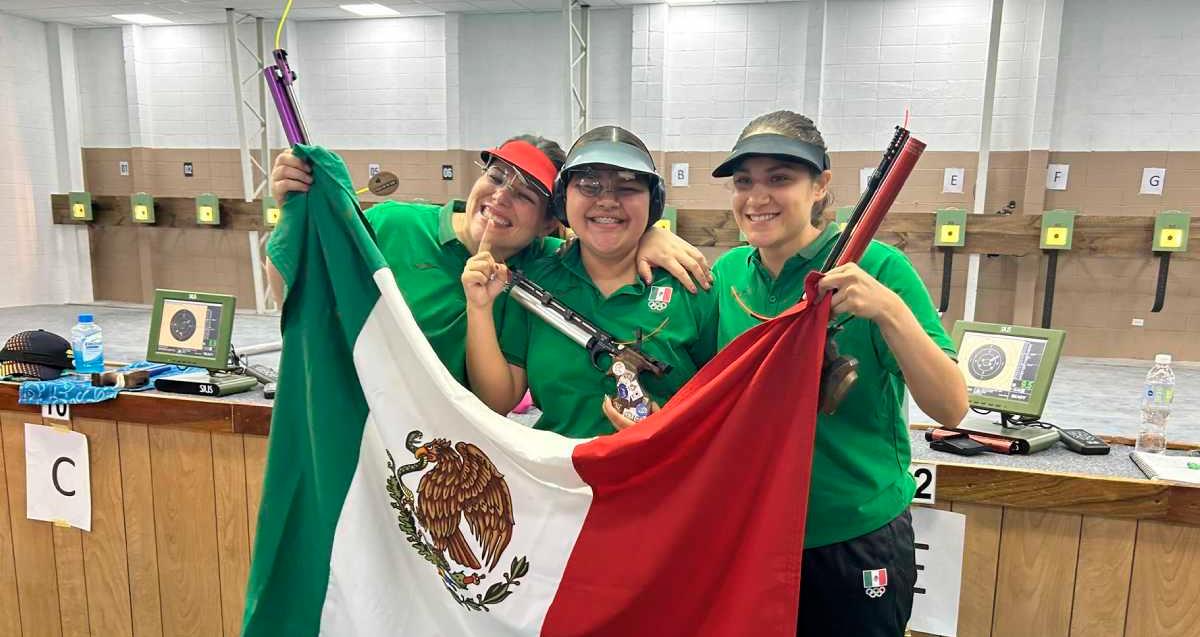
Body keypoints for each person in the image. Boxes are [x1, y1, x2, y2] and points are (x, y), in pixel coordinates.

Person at [707, 111, 968, 636]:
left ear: (821, 185)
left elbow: (951, 406)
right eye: (744, 182)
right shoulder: (726, 273)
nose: (758, 197)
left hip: (856, 532)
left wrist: (889, 312)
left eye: (780, 178)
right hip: (755, 530)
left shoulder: (881, 268)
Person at [264, 135, 712, 387]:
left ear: (547, 224)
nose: (500, 197)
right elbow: (293, 291)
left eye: (523, 195)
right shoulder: (390, 224)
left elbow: (600, 243)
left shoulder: (539, 271)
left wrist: (648, 233)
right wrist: (294, 213)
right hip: (347, 409)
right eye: (496, 177)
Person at [462, 126, 718, 437]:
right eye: (589, 185)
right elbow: (497, 400)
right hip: (560, 475)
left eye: (627, 187)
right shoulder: (536, 281)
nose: (607, 201)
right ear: (562, 201)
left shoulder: (690, 284)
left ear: (653, 201)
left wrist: (671, 428)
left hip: (662, 474)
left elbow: (722, 402)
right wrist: (479, 307)